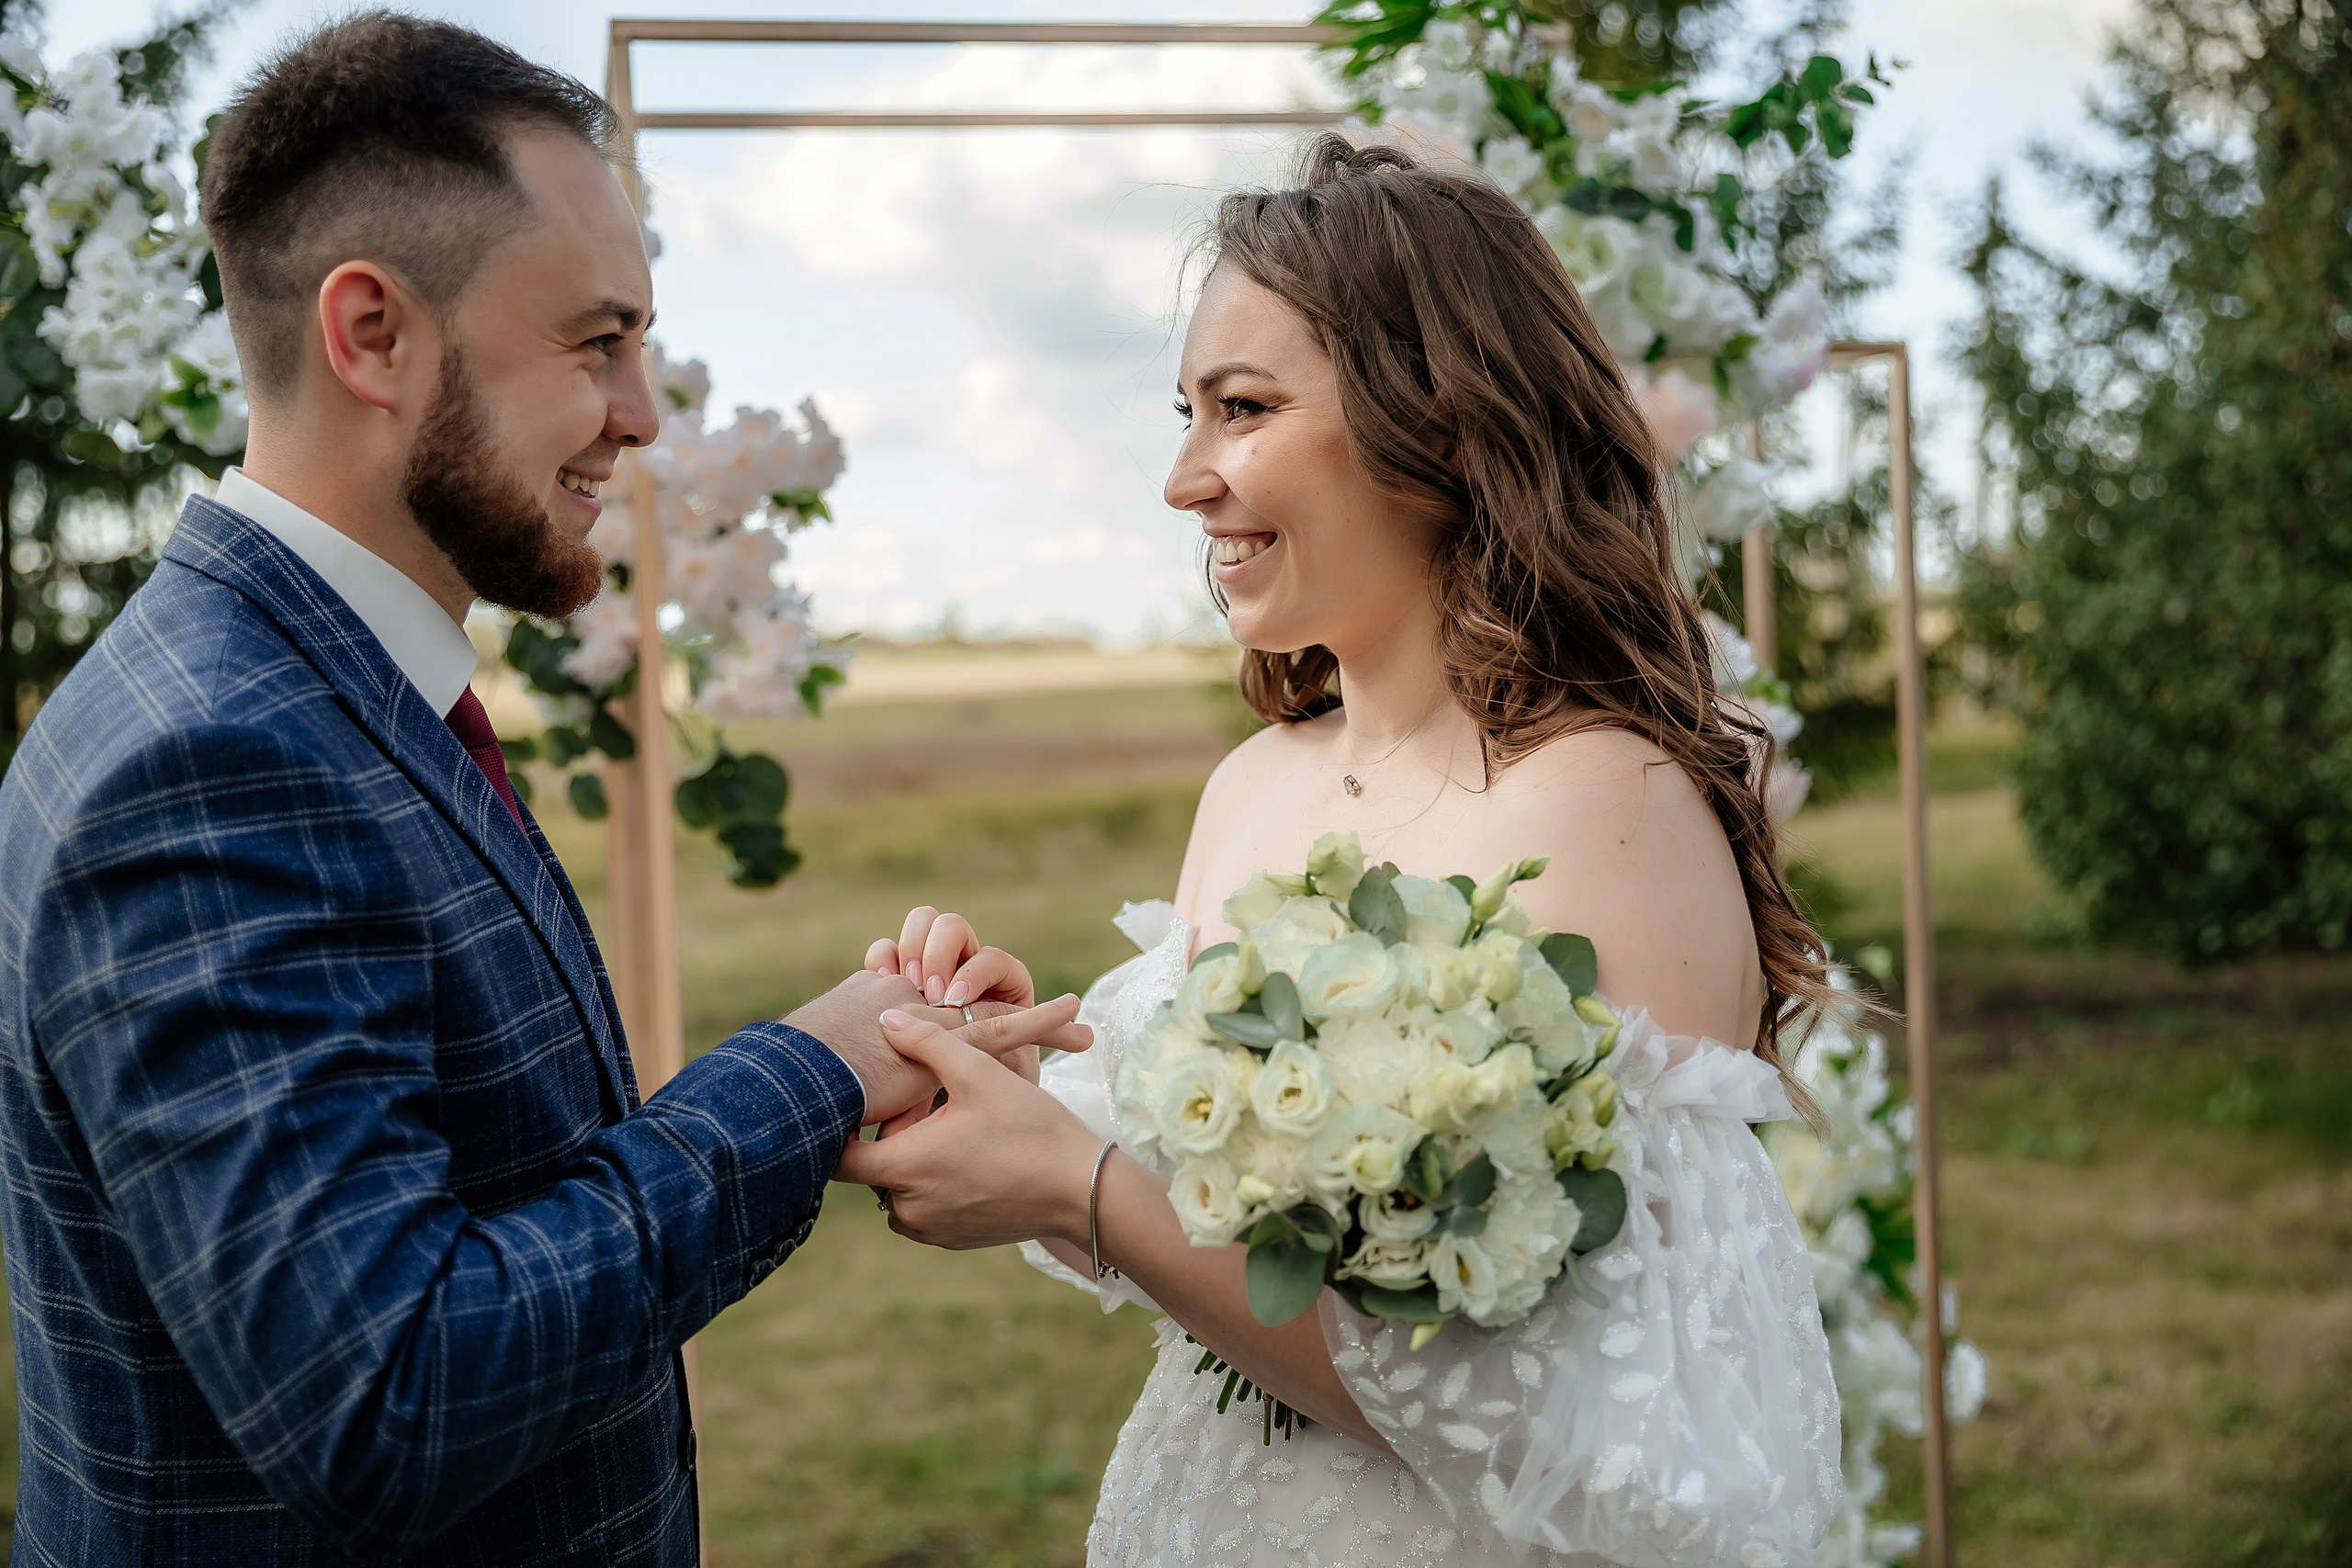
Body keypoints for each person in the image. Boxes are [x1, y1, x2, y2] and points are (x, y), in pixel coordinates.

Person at [0, 14, 1084, 1565]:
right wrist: (812, 1076)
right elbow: (392, 1395)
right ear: (370, 334)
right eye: (597, 342)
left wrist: (859, 1043)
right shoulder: (211, 764)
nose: (644, 415)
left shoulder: (317, 687)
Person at [842, 136, 1844, 1566]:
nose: (1187, 479)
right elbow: (1210, 1248)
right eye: (1185, 414)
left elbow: (1588, 1436)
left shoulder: (1603, 807)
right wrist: (1028, 1099)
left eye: (1241, 409)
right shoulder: (1252, 788)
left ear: (1441, 428)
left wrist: (1079, 1188)